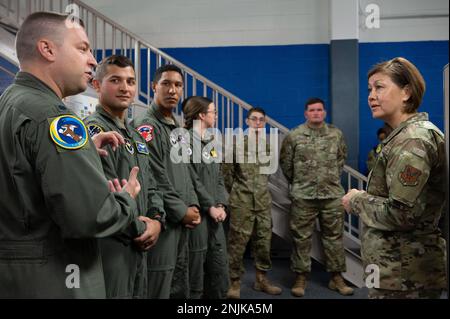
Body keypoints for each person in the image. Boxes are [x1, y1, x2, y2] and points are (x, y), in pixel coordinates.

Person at [0, 12, 152, 298]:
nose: (93, 60)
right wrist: (127, 199)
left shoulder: (11, 102)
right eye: (82, 48)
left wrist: (83, 150)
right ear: (47, 49)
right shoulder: (52, 117)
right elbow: (90, 216)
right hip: (57, 277)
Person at [342, 57, 447, 299]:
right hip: (396, 271)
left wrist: (357, 200)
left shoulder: (413, 141)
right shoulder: (403, 136)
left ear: (406, 92)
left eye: (379, 87)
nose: (370, 95)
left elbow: (401, 214)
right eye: (369, 89)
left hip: (405, 276)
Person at [84, 55, 166, 298]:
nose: (125, 88)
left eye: (130, 81)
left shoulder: (136, 136)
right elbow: (102, 195)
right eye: (115, 80)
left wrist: (157, 220)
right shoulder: (93, 132)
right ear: (97, 85)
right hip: (112, 246)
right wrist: (145, 228)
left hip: (139, 244)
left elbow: (151, 186)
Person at [132, 64, 201, 299]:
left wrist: (192, 204)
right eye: (166, 84)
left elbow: (185, 171)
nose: (173, 90)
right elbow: (153, 175)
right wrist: (181, 210)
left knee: (178, 282)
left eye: (178, 85)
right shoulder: (146, 125)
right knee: (158, 284)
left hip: (182, 219)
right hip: (163, 218)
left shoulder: (176, 126)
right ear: (153, 87)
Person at [279, 97, 353, 297]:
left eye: (319, 110)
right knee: (301, 239)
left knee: (334, 238)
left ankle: (336, 277)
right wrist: (301, 182)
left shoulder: (336, 134)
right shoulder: (294, 136)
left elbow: (341, 158)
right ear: (306, 113)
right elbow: (286, 163)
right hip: (304, 196)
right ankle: (301, 277)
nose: (316, 113)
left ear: (325, 112)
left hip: (331, 195)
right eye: (312, 110)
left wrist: (328, 179)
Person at [223, 107, 282, 299]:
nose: (257, 123)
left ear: (264, 124)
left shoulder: (268, 147)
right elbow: (227, 175)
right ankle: (234, 282)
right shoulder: (236, 145)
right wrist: (238, 193)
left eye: (261, 120)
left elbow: (269, 174)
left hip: (263, 202)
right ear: (247, 122)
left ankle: (261, 279)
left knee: (264, 243)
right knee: (237, 244)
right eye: (254, 119)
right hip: (242, 202)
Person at [182, 96, 229, 299]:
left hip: (215, 215)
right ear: (202, 115)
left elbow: (219, 176)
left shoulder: (212, 141)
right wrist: (209, 206)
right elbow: (191, 178)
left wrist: (220, 203)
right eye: (214, 112)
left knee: (218, 268)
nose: (216, 115)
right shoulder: (184, 140)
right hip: (197, 216)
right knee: (195, 273)